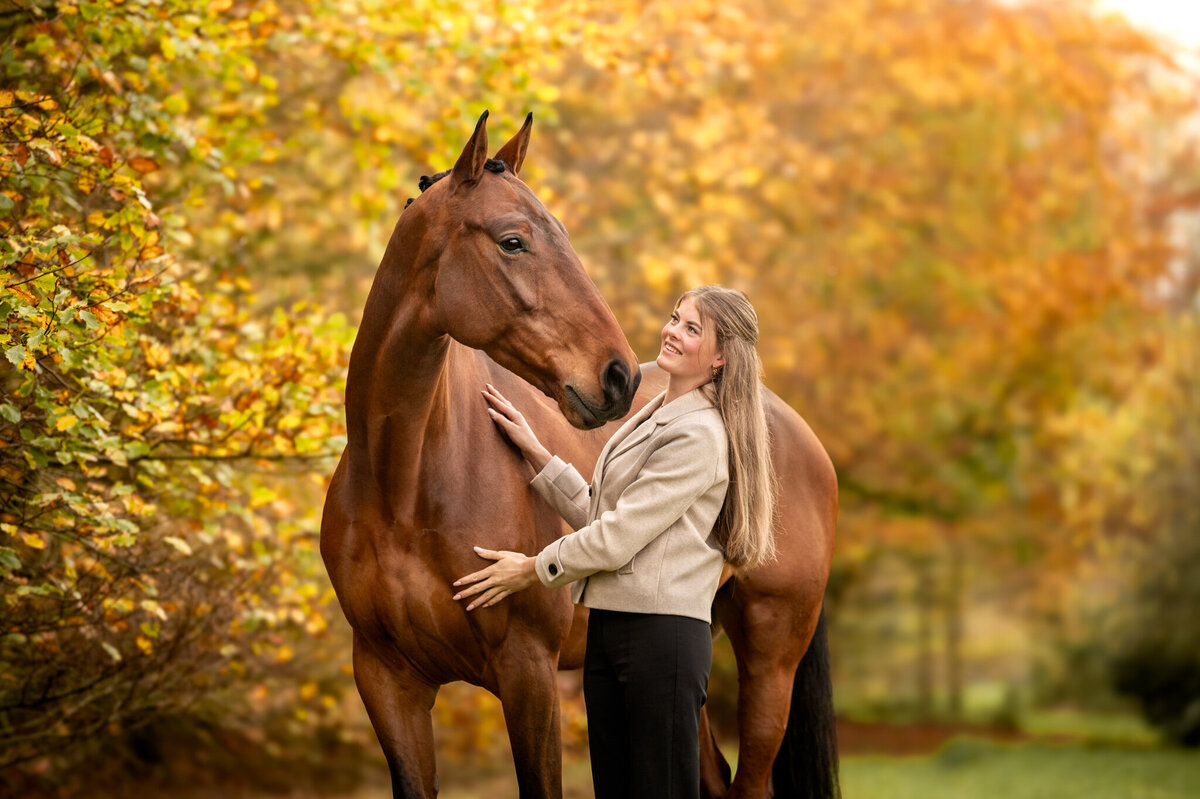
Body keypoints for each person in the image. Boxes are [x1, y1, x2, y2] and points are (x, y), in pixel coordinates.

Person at [452, 285, 776, 799]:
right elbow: (604, 514)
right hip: (612, 629)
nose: (672, 332)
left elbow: (615, 539)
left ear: (720, 358)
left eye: (692, 329)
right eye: (676, 318)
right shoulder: (656, 413)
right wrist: (537, 453)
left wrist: (531, 569)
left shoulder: (698, 434)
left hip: (662, 641)